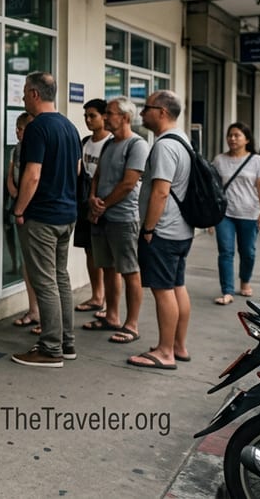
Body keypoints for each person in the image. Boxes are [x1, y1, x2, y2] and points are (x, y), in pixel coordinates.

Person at [9, 72, 81, 368]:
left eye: (25, 92)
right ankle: (67, 342)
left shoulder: (38, 128)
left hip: (42, 217)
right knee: (60, 277)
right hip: (66, 215)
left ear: (35, 94)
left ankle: (50, 349)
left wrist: (19, 209)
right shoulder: (69, 126)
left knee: (45, 282)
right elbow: (76, 171)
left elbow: (33, 174)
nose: (23, 97)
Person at [128, 90, 193, 370]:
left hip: (163, 231)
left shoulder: (165, 146)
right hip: (182, 230)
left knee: (163, 290)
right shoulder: (183, 139)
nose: (142, 114)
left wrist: (149, 229)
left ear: (162, 112)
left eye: (147, 108)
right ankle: (177, 345)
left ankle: (165, 352)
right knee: (177, 286)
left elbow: (161, 192)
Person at [84, 97, 148, 344]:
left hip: (122, 218)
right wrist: (92, 198)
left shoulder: (137, 145)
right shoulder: (110, 143)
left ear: (125, 117)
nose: (106, 117)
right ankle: (111, 315)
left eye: (109, 113)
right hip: (101, 216)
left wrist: (103, 205)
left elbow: (129, 183)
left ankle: (131, 324)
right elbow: (97, 175)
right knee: (108, 268)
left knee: (129, 270)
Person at [212, 123, 260, 305]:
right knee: (225, 252)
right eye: (230, 135)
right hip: (225, 214)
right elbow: (213, 189)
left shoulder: (257, 161)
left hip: (249, 213)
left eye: (237, 135)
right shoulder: (219, 160)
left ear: (247, 139)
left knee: (248, 252)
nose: (233, 139)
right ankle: (227, 291)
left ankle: (245, 280)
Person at [74, 98, 110, 316]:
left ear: (105, 117)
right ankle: (97, 296)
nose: (88, 120)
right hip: (85, 203)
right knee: (90, 251)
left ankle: (110, 303)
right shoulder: (85, 141)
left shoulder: (113, 143)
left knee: (108, 257)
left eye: (92, 115)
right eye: (86, 116)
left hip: (105, 206)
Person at [7, 112, 39, 330]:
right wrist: (14, 193)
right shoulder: (16, 150)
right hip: (19, 206)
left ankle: (48, 320)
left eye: (21, 129)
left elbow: (35, 178)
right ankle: (34, 310)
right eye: (16, 128)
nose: (17, 133)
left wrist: (22, 205)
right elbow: (11, 174)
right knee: (28, 263)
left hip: (34, 211)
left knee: (42, 267)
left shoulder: (37, 150)